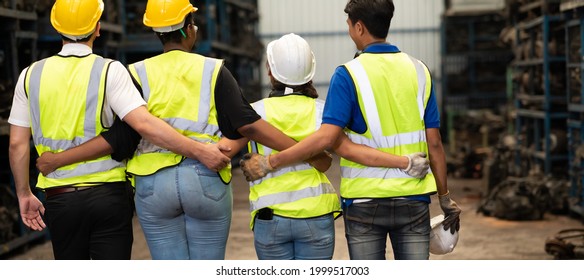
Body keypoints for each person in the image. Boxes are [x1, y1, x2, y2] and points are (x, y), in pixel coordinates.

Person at [8, 0, 230, 260]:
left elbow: (17, 144)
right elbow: (144, 125)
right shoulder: (109, 70)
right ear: (98, 28)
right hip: (108, 196)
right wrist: (201, 151)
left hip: (60, 197)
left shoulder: (29, 75)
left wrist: (24, 193)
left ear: (56, 28)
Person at [240, 0, 462, 260]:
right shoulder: (419, 70)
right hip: (413, 198)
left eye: (348, 25)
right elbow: (434, 143)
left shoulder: (347, 75)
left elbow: (331, 139)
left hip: (364, 202)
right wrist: (444, 196)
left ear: (359, 27)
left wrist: (270, 162)